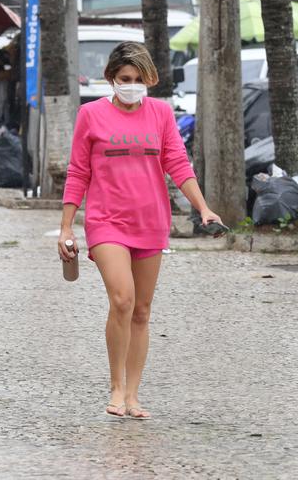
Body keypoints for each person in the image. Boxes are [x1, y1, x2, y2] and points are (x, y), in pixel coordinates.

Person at [57, 41, 223, 420]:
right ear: (111, 79)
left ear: (149, 79)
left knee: (142, 311)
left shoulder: (161, 114)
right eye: (124, 79)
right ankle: (115, 387)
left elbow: (178, 164)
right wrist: (66, 226)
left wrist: (203, 208)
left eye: (138, 79)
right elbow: (78, 171)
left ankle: (133, 395)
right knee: (122, 300)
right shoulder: (90, 115)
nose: (131, 86)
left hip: (151, 222)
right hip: (106, 222)